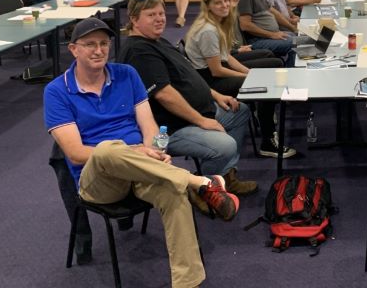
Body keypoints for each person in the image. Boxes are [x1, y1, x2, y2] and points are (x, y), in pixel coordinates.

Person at [44, 17, 239, 288]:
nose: (98, 50)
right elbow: (76, 153)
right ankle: (198, 182)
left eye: (104, 43)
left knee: (173, 192)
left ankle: (188, 282)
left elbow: (149, 126)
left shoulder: (127, 74)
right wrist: (138, 152)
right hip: (98, 181)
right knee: (107, 149)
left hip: (141, 169)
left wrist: (153, 151)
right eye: (89, 45)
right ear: (74, 49)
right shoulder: (56, 91)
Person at [117, 0, 258, 202]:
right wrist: (202, 121)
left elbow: (188, 74)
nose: (160, 18)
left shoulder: (158, 40)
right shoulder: (139, 51)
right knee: (225, 145)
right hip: (170, 128)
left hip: (196, 112)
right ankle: (203, 190)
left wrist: (216, 95)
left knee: (239, 112)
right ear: (134, 20)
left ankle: (226, 177)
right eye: (151, 15)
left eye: (161, 13)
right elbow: (164, 95)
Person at [185, 0, 294, 158]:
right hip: (209, 82)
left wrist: (249, 72)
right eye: (218, 3)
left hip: (215, 72)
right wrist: (250, 77)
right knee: (265, 85)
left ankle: (264, 111)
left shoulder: (217, 23)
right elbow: (217, 70)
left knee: (268, 69)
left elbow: (227, 57)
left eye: (225, 1)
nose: (224, 5)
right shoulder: (208, 30)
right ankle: (268, 142)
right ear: (208, 6)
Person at [237, 0, 296, 66]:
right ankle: (290, 73)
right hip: (257, 40)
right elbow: (245, 25)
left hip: (269, 35)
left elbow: (273, 11)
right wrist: (272, 35)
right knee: (297, 42)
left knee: (301, 38)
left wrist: (293, 28)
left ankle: (289, 67)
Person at [223, 0, 282, 67]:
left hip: (237, 50)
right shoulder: (222, 17)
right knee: (275, 60)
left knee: (269, 55)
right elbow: (221, 50)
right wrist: (238, 51)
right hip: (228, 58)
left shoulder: (234, 14)